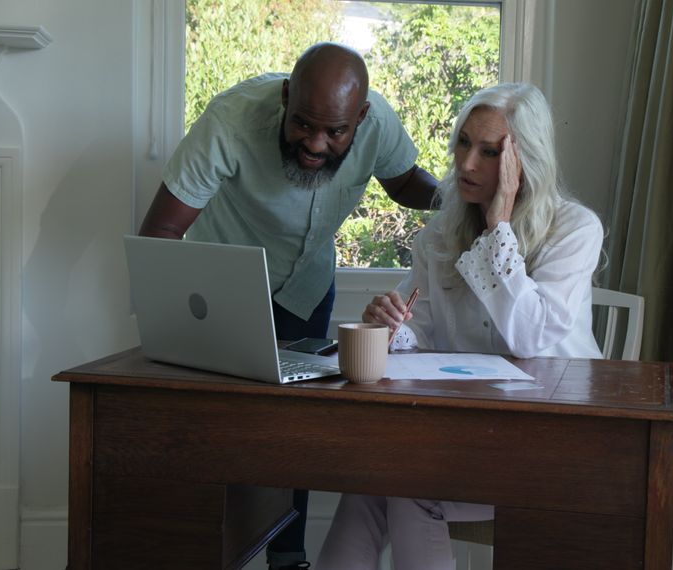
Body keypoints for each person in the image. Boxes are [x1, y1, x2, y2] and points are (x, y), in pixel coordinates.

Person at [138, 43, 437, 570]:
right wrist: (166, 328)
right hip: (227, 289)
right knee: (220, 429)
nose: (315, 144)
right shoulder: (230, 120)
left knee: (296, 430)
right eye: (302, 124)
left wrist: (456, 199)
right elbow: (161, 230)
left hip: (306, 289)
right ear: (284, 98)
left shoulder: (379, 122)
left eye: (335, 132)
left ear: (360, 119)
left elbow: (404, 180)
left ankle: (288, 560)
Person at [314, 82, 604, 570]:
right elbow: (419, 331)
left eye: (490, 152)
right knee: (369, 486)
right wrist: (390, 327)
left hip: (556, 443)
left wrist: (499, 226)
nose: (466, 163)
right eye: (464, 143)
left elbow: (530, 338)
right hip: (467, 435)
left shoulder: (575, 230)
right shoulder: (441, 236)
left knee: (408, 493)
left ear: (522, 163)